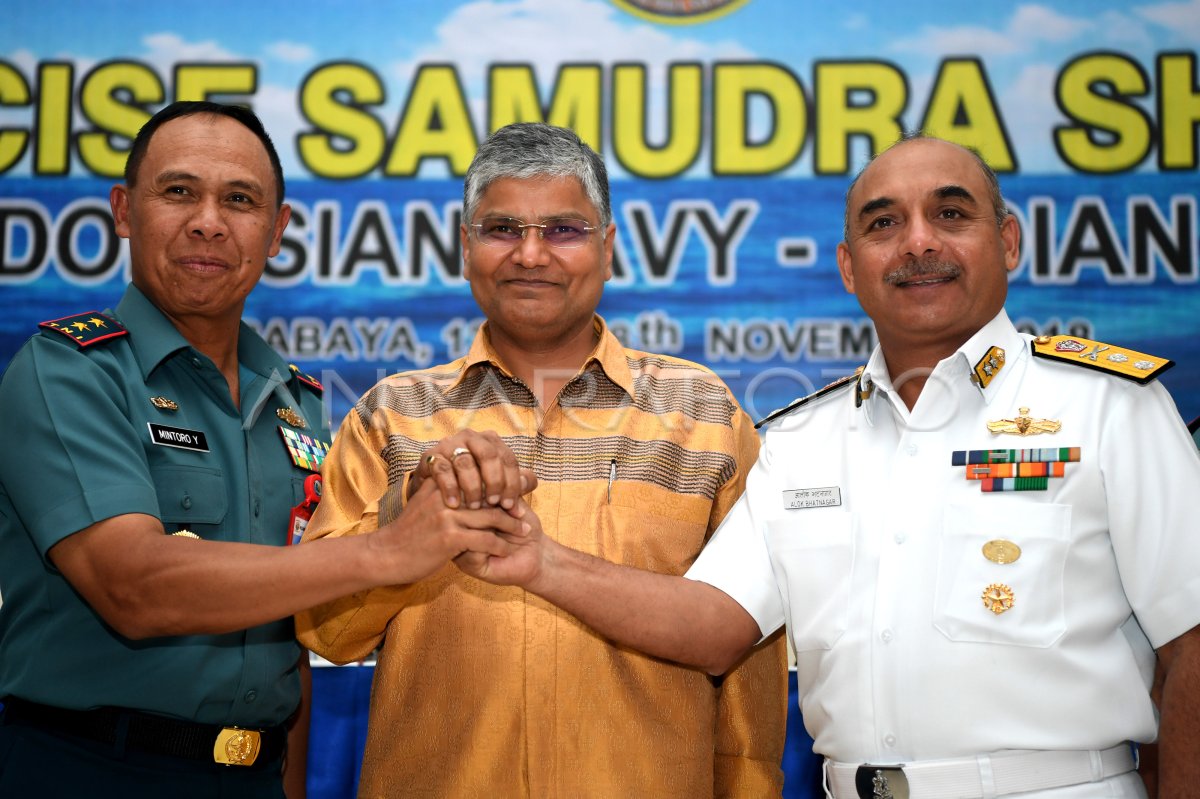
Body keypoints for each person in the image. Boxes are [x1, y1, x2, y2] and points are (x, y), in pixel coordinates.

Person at [460, 133, 1200, 798]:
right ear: (849, 267)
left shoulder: (1110, 410)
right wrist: (540, 562)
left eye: (950, 214)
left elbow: (1191, 645)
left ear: (1007, 241)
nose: (916, 243)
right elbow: (716, 623)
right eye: (883, 224)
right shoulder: (801, 439)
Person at [0, 101, 530, 799]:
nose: (209, 221)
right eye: (180, 191)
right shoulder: (67, 370)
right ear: (125, 211)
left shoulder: (299, 404)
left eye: (240, 200)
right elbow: (133, 585)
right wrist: (388, 550)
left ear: (276, 230)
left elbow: (292, 639)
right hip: (87, 767)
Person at [295, 122, 788, 797]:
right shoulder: (392, 415)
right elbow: (327, 631)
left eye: (564, 230)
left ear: (608, 248)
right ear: (464, 249)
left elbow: (748, 665)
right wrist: (406, 525)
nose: (531, 255)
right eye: (502, 229)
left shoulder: (704, 413)